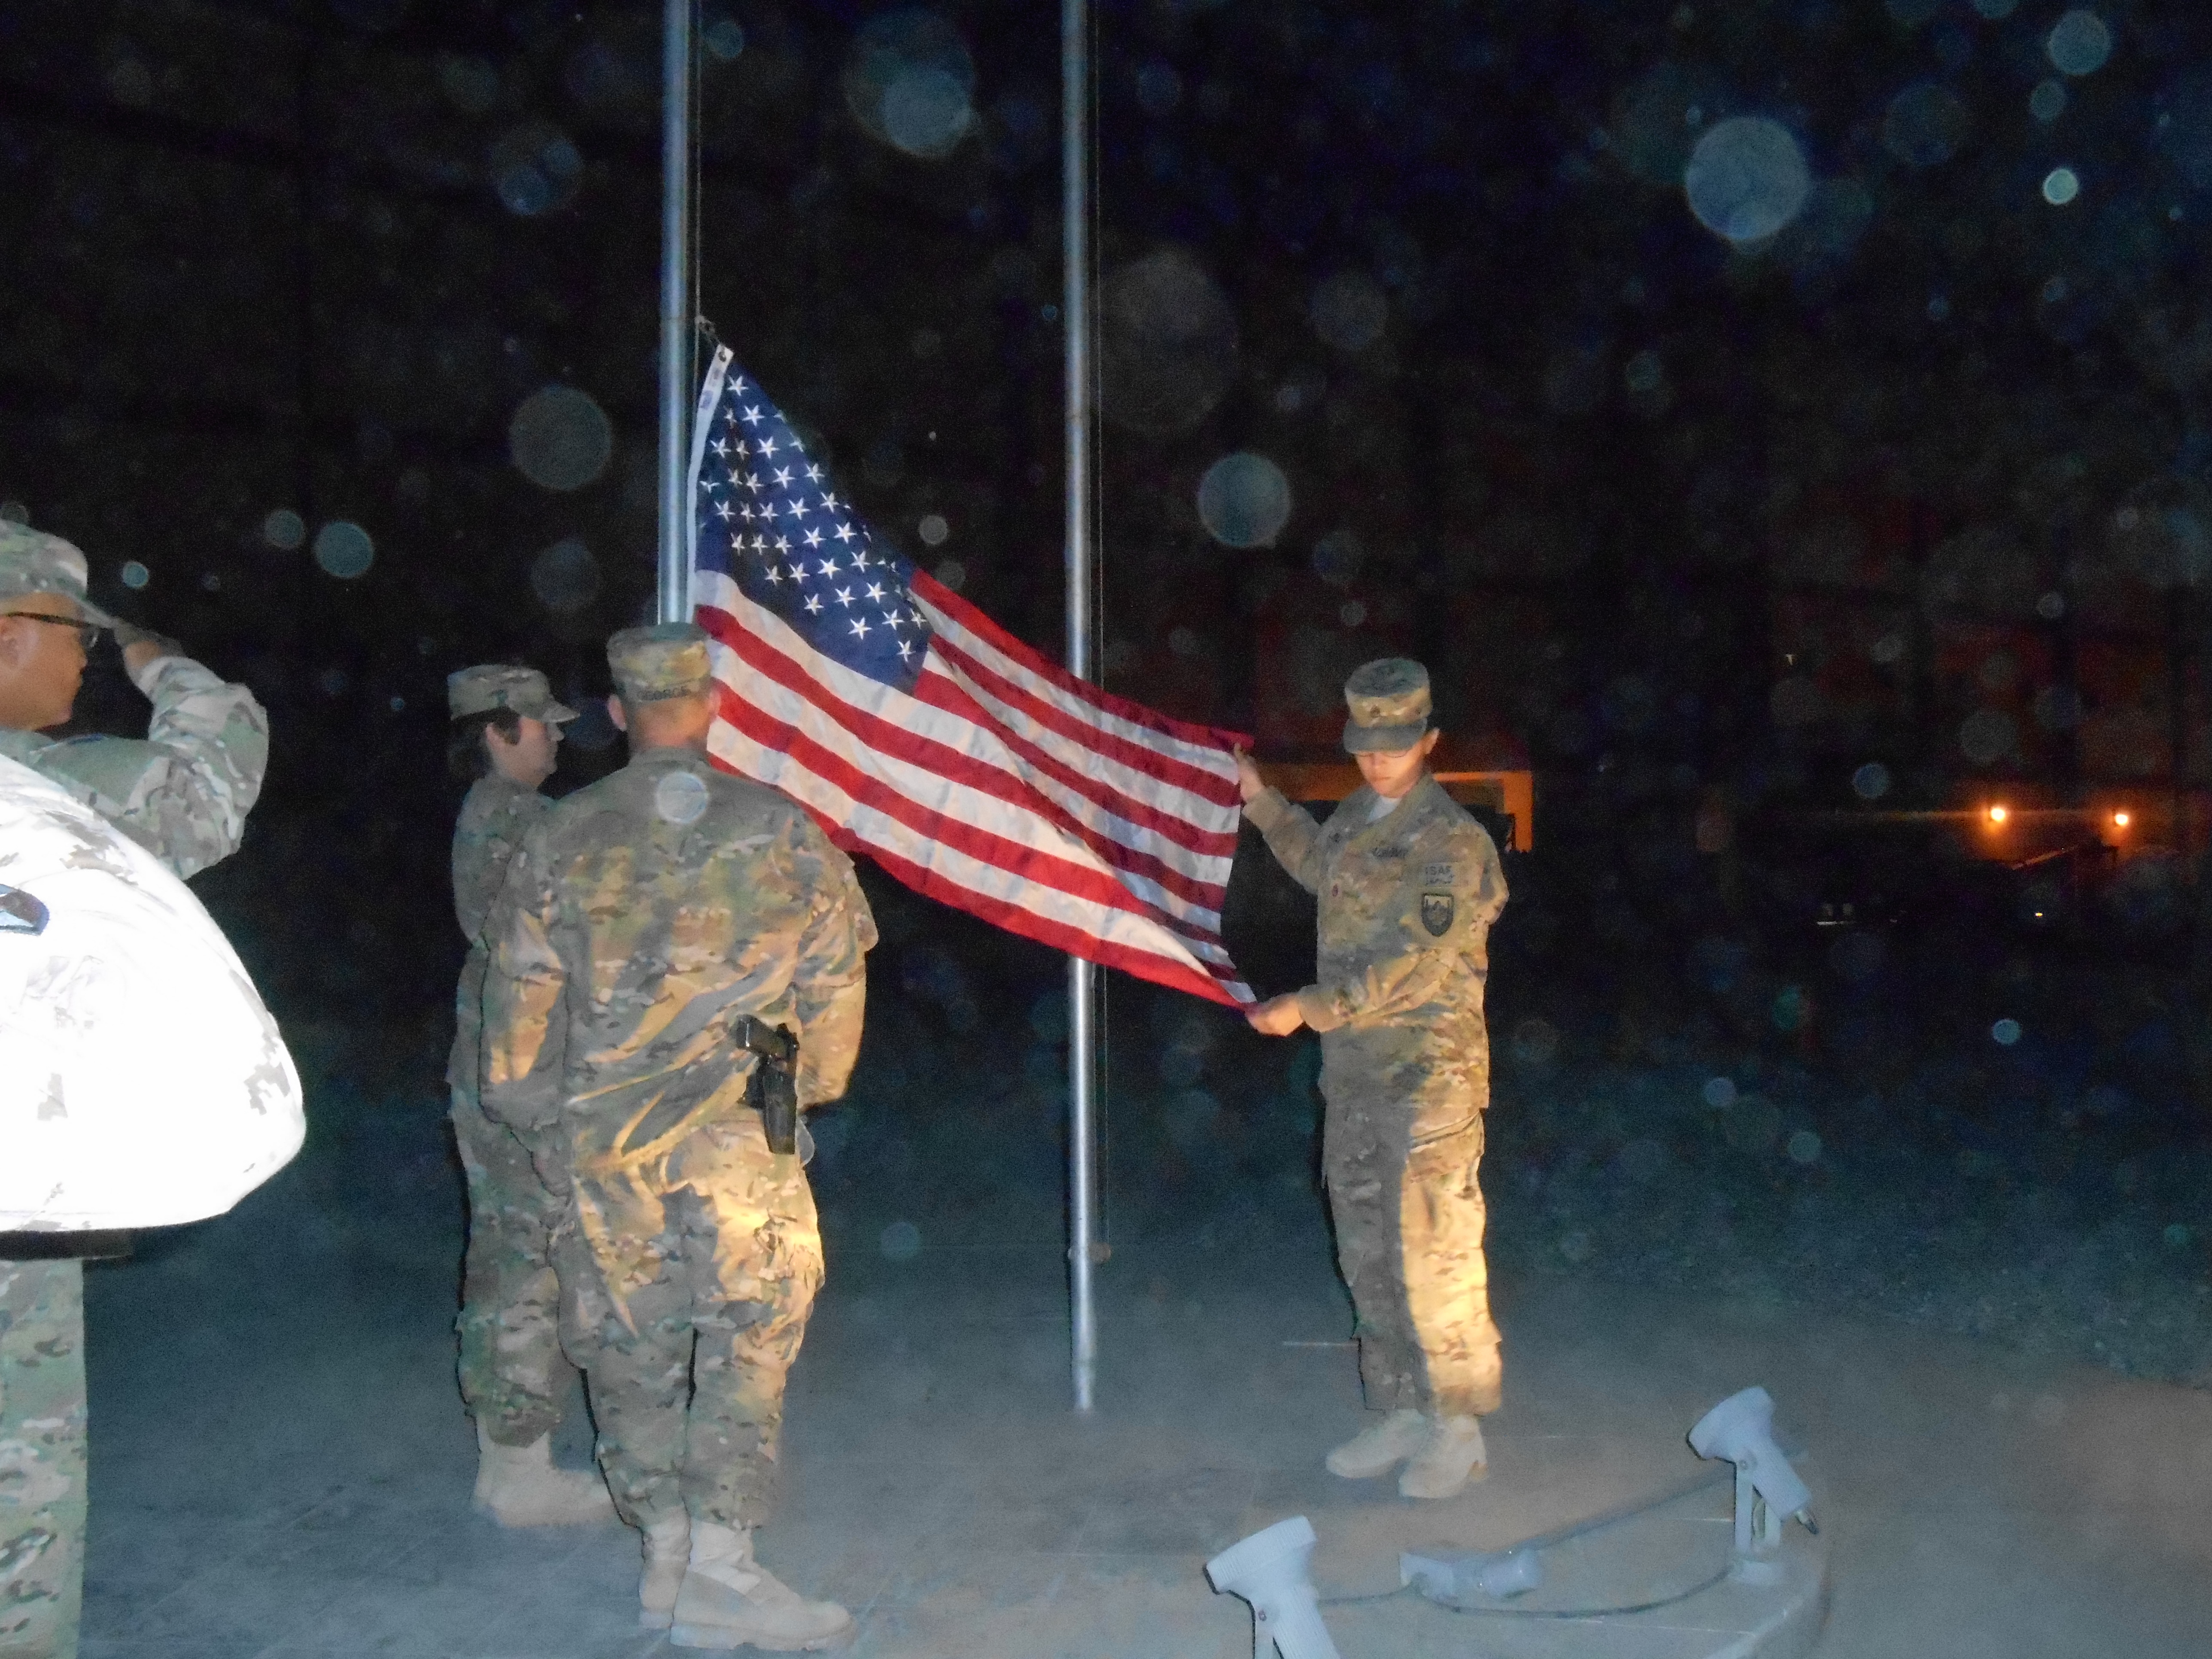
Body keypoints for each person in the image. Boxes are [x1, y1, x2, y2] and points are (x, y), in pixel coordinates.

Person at [480, 623, 875, 1650]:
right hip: (741, 1144)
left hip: (606, 1148)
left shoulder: (562, 836)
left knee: (628, 1347)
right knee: (746, 1346)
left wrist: (542, 1126)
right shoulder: (782, 831)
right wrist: (808, 1093)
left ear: (618, 714)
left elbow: (516, 1014)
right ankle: (720, 1568)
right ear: (713, 707)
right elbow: (836, 987)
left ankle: (665, 1551)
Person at [0, 523, 270, 1659]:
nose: (86, 657)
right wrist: (162, 661)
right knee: (21, 1480)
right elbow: (214, 778)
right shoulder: (50, 790)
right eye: (74, 633)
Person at [1234, 657, 1508, 1502]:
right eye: (1363, 747)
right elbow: (1318, 865)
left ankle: (1457, 1426)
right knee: (1366, 1251)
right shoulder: (1356, 818)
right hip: (1354, 1080)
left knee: (1432, 1253)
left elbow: (1419, 966)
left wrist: (1309, 1007)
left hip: (1426, 1081)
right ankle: (1400, 1409)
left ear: (1429, 742)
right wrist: (1260, 801)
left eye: (1394, 747)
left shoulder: (1449, 843)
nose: (1376, 762)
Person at [442, 663, 614, 1527]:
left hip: (512, 1073)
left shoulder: (502, 816)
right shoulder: (520, 823)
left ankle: (516, 1462)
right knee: (524, 1269)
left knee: (522, 1260)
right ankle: (517, 1473)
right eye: (542, 724)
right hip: (524, 1081)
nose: (556, 737)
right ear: (497, 731)